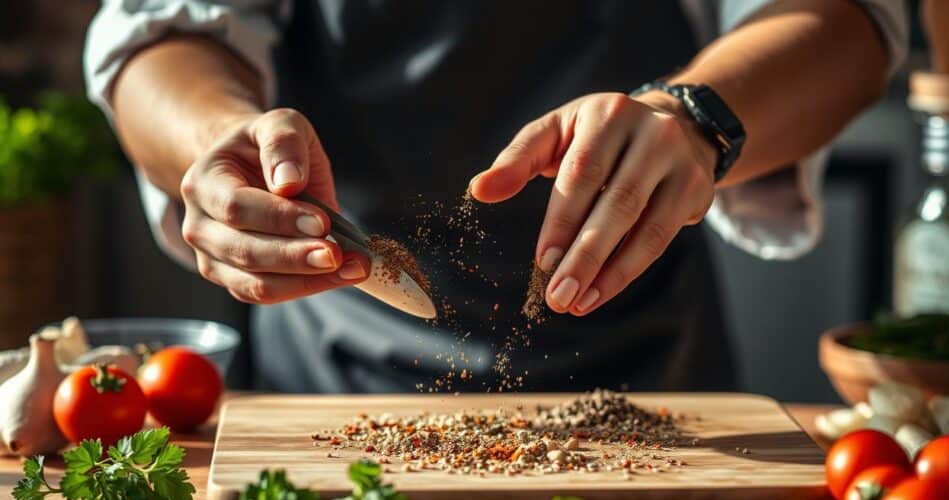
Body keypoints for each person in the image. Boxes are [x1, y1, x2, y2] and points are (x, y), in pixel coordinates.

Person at [85, 1, 906, 394]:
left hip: (652, 370)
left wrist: (692, 117)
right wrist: (220, 134)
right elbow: (158, 36)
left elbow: (855, 27)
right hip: (329, 371)